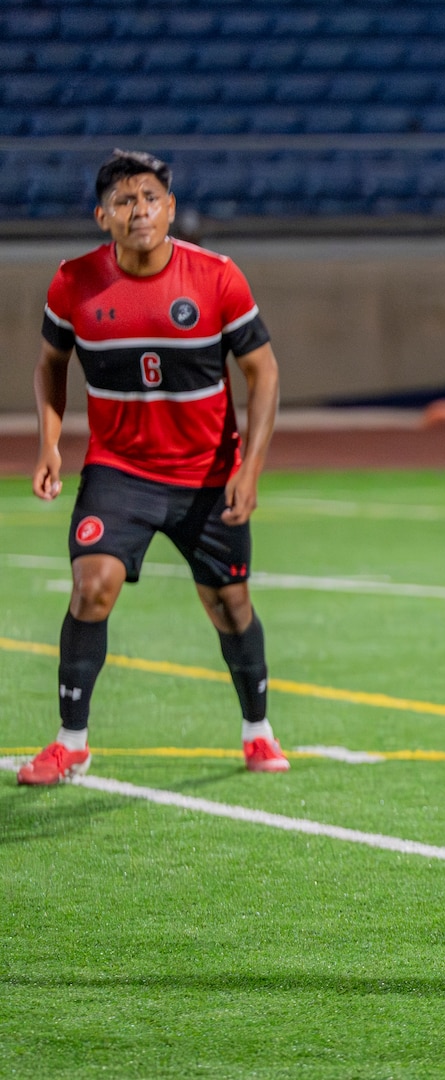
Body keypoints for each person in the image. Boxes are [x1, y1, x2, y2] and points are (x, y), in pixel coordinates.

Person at [18, 148, 287, 785]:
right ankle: (71, 742)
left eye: (149, 199)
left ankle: (258, 731)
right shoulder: (73, 282)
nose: (138, 210)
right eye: (123, 202)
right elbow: (51, 364)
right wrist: (50, 443)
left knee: (230, 606)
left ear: (169, 207)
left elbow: (264, 373)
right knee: (92, 587)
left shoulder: (218, 278)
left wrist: (248, 469)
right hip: (120, 472)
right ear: (101, 216)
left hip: (206, 475)